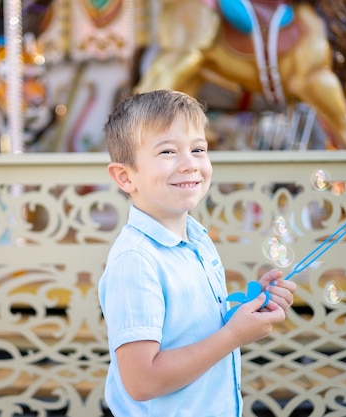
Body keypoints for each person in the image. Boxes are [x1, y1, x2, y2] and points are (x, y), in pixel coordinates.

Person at [98, 89, 296, 416]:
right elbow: (142, 380)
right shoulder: (135, 259)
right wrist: (233, 336)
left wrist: (251, 307)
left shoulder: (198, 239)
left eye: (198, 149)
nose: (190, 164)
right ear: (125, 176)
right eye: (167, 152)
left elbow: (194, 331)